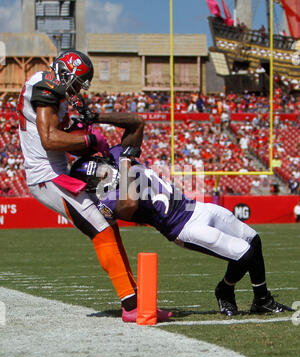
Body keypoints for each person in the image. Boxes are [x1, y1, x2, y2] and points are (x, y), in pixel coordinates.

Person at [17, 49, 171, 323]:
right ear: (66, 73)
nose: (77, 89)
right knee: (101, 229)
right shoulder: (44, 87)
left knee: (108, 227)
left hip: (55, 173)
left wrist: (84, 134)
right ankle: (131, 305)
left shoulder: (53, 91)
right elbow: (50, 139)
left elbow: (58, 134)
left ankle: (136, 299)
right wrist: (89, 142)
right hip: (46, 177)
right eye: (77, 82)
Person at [70, 141, 293, 317]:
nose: (104, 172)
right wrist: (126, 163)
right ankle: (225, 289)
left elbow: (135, 123)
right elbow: (128, 205)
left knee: (254, 239)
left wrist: (95, 118)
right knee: (246, 253)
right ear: (91, 184)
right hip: (183, 226)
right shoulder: (108, 200)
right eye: (98, 174)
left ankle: (262, 300)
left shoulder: (118, 158)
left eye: (101, 167)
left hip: (196, 207)